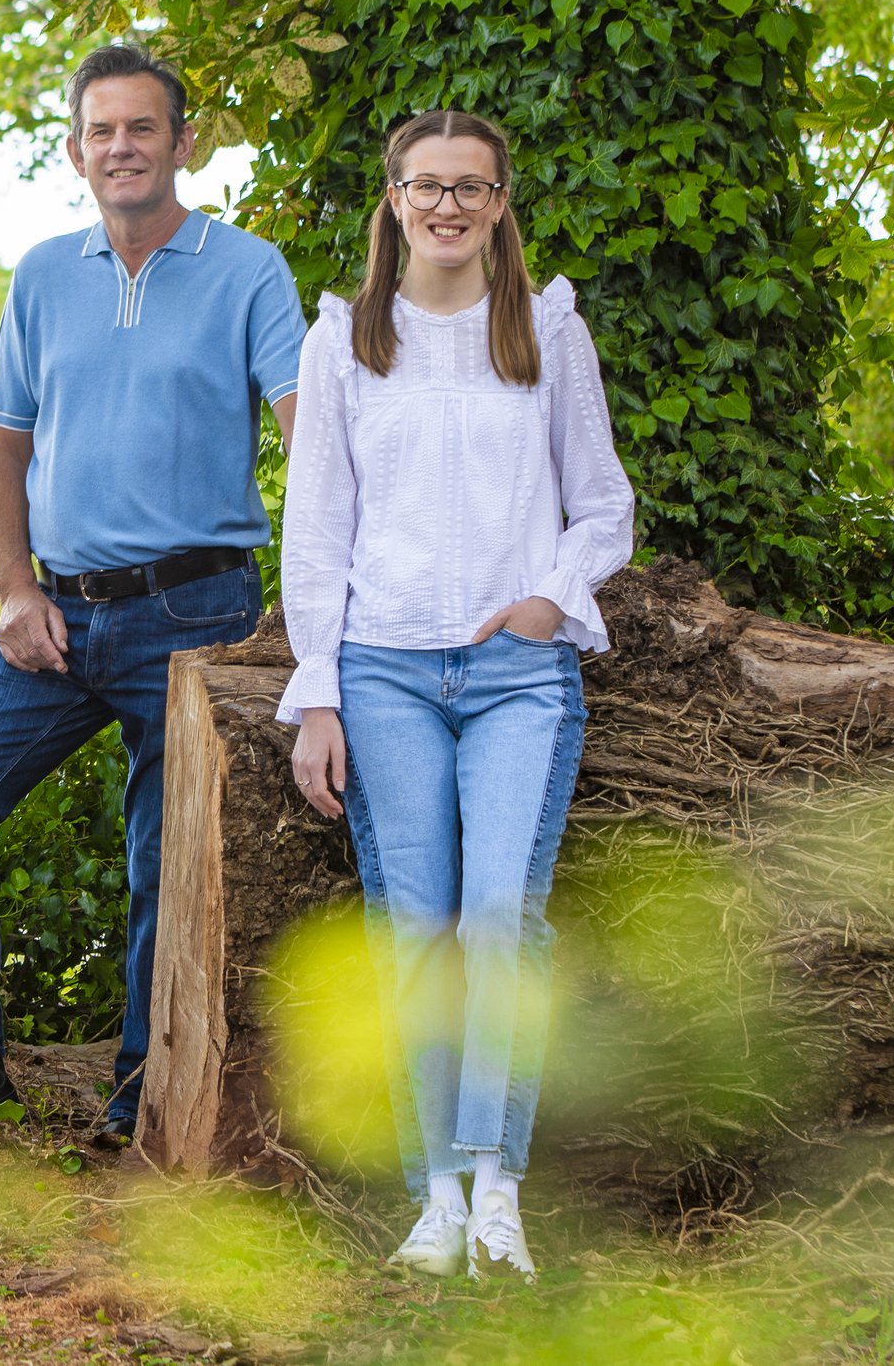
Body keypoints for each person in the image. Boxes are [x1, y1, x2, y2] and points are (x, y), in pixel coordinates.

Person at [0, 43, 308, 1143]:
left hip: (197, 608)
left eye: (141, 128)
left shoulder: (248, 268)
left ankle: (138, 1098)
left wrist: (321, 604)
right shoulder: (43, 272)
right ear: (75, 148)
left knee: (161, 861)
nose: (119, 147)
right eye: (99, 130)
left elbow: (308, 436)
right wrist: (14, 589)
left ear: (182, 140)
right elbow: (2, 451)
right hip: (57, 615)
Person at [276, 110, 635, 1280]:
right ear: (391, 199)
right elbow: (316, 530)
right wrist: (316, 690)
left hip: (517, 675)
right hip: (381, 667)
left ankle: (500, 1192)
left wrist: (549, 595)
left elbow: (603, 505)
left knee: (497, 922)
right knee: (418, 930)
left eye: (470, 189)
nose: (447, 206)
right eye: (426, 187)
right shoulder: (344, 342)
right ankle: (435, 1196)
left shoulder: (543, 329)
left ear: (497, 204)